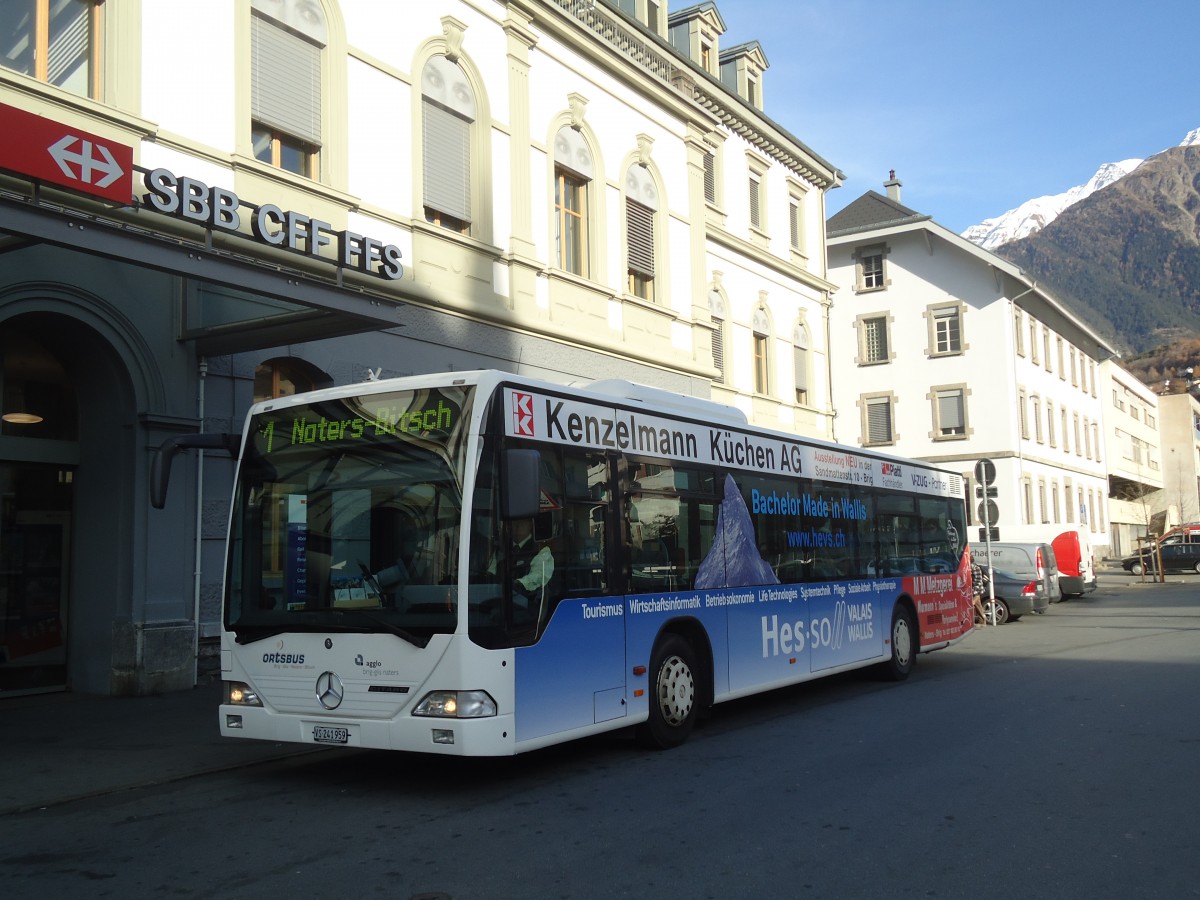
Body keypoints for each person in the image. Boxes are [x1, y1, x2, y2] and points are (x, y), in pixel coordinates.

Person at [971, 560, 989, 626]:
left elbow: (977, 580)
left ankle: (982, 621)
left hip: (977, 590)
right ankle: (983, 621)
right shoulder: (973, 567)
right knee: (978, 606)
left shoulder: (975, 568)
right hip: (976, 589)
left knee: (971, 603)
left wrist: (973, 587)